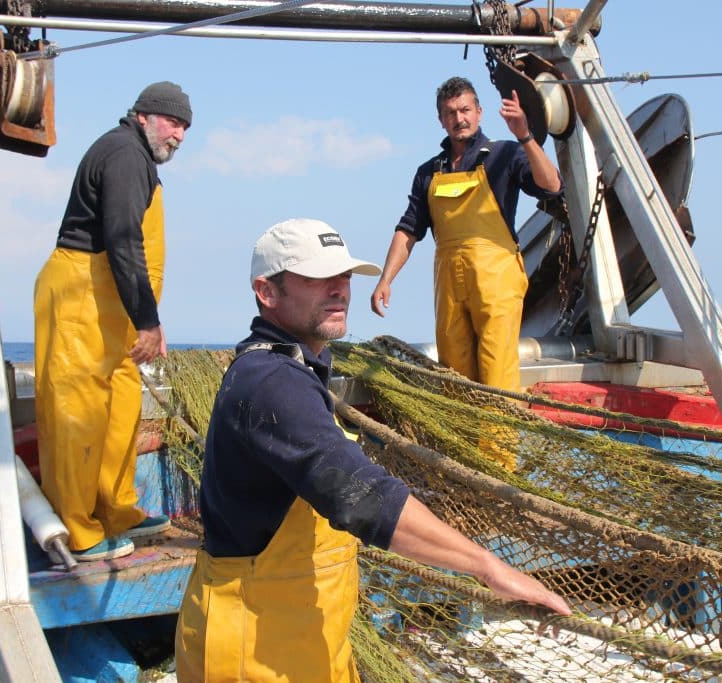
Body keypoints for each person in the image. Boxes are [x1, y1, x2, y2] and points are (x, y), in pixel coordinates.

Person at [174, 218, 570, 682]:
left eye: (343, 276)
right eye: (318, 277)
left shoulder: (298, 369)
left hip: (302, 637)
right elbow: (360, 495)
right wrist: (487, 567)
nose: (340, 289)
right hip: (252, 650)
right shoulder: (270, 383)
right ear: (268, 292)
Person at [33, 81, 192, 562]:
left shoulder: (138, 159)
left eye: (185, 127)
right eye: (172, 122)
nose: (179, 135)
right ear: (142, 116)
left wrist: (144, 320)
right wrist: (148, 320)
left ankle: (117, 508)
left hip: (111, 303)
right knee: (77, 412)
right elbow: (123, 241)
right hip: (81, 292)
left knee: (121, 403)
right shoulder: (124, 154)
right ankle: (79, 530)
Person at [371, 76, 564, 393]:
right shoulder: (429, 171)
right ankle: (463, 442)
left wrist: (526, 137)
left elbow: (551, 186)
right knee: (454, 375)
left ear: (479, 112)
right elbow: (409, 229)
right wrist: (385, 279)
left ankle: (500, 445)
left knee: (497, 372)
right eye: (450, 113)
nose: (459, 119)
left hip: (496, 279)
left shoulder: (505, 154)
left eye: (465, 110)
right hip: (449, 284)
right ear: (441, 120)